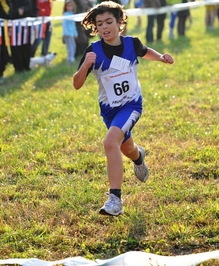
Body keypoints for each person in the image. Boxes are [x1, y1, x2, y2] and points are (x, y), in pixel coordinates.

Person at [72, 1, 174, 216]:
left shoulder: (132, 44)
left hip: (131, 105)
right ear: (95, 28)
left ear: (120, 23)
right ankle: (139, 157)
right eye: (100, 24)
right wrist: (85, 65)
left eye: (109, 21)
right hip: (109, 111)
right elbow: (77, 84)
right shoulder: (94, 51)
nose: (105, 27)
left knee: (110, 143)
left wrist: (162, 58)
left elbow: (145, 52)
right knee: (126, 148)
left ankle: (115, 200)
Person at [9, 0, 38, 73]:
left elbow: (34, 8)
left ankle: (26, 65)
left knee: (27, 45)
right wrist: (17, 12)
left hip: (28, 24)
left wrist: (32, 16)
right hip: (15, 24)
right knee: (16, 46)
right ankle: (18, 67)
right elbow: (8, 10)